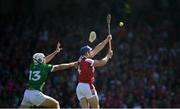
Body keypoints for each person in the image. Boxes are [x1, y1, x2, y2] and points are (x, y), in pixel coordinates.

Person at [20, 42, 77, 109]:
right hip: (35, 94)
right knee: (56, 104)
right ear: (41, 60)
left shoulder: (32, 66)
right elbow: (59, 67)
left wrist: (55, 52)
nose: (45, 59)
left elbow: (44, 60)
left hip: (27, 93)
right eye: (43, 58)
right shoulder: (45, 67)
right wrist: (73, 64)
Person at [76, 35, 113, 108]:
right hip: (87, 86)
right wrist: (108, 56)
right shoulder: (87, 60)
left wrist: (106, 40)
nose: (91, 52)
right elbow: (101, 63)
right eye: (89, 51)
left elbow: (96, 49)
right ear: (86, 53)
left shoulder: (80, 60)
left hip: (79, 87)